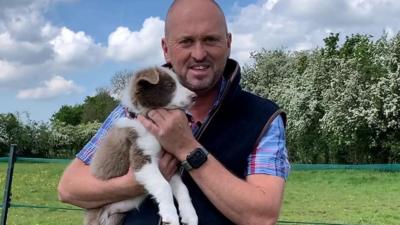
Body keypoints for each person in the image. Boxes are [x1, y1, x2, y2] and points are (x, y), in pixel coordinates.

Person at [57, 0, 290, 224]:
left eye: (210, 40)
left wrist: (186, 148)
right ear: (166, 49)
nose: (199, 54)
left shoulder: (263, 118)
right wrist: (135, 184)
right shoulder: (136, 106)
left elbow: (262, 217)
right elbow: (69, 188)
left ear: (228, 43)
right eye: (186, 42)